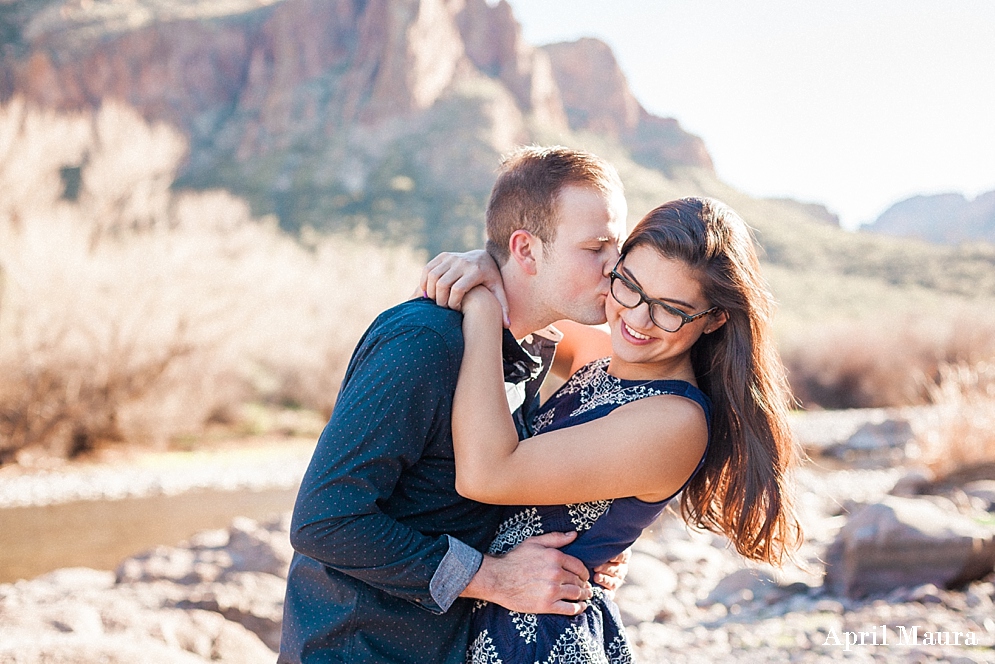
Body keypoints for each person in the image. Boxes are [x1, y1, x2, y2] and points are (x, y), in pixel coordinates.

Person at [278, 146, 632, 664]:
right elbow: (323, 520)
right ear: (527, 250)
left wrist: (587, 549)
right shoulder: (424, 341)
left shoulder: (528, 349)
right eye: (596, 246)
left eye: (618, 246)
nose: (615, 267)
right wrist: (496, 579)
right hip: (359, 649)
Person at [443, 197, 802, 663]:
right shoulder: (607, 356)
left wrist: (481, 307)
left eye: (670, 310)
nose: (636, 318)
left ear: (715, 318)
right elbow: (526, 296)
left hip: (539, 640)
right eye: (628, 285)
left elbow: (485, 475)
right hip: (489, 614)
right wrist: (486, 265)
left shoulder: (675, 421)